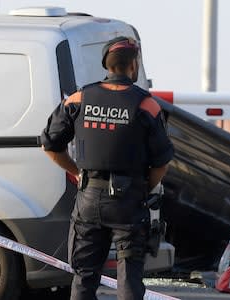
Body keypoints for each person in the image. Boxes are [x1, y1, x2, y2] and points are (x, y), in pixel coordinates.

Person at [40, 36, 174, 300]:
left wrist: (78, 173)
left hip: (89, 199)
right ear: (133, 65)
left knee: (84, 277)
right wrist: (143, 188)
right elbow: (162, 163)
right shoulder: (147, 105)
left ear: (106, 65)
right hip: (129, 203)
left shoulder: (78, 99)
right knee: (129, 280)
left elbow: (50, 144)